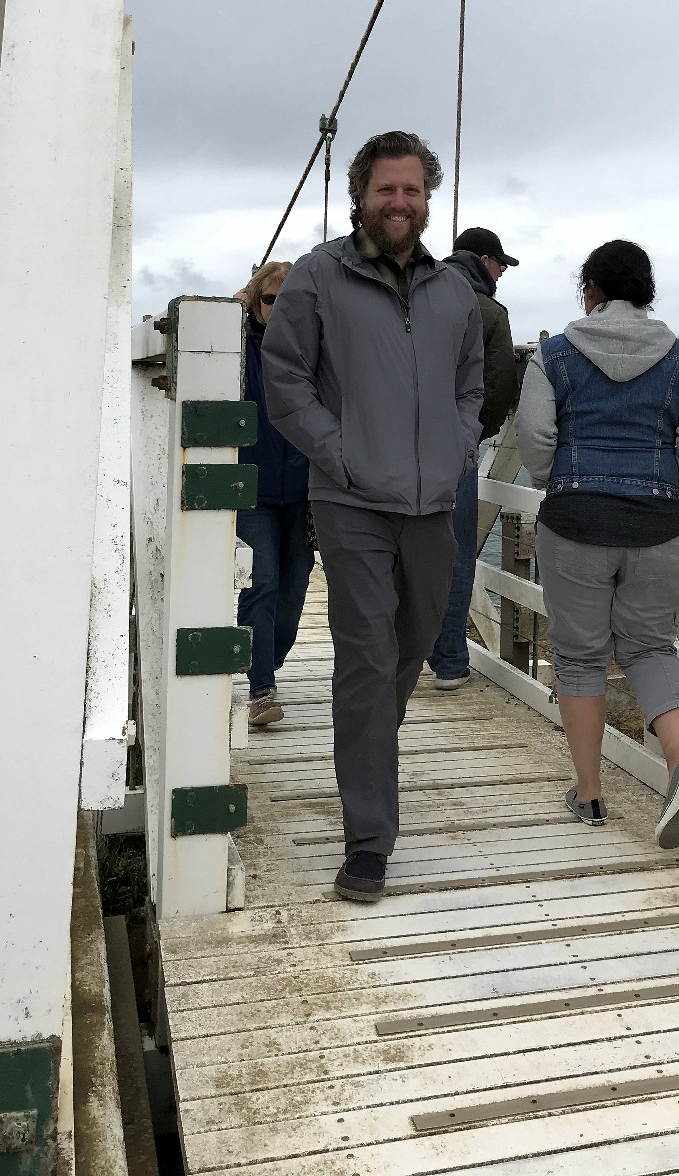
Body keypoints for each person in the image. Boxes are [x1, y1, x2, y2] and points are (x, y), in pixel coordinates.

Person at [262, 131, 483, 901]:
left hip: (432, 504)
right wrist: (340, 454)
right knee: (365, 656)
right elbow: (285, 377)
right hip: (350, 500)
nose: (400, 202)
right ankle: (369, 840)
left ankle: (364, 749)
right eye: (387, 189)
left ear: (427, 199)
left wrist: (459, 448)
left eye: (412, 190)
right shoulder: (318, 277)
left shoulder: (454, 292)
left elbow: (470, 387)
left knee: (411, 646)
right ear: (361, 195)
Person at [515, 239, 679, 848]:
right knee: (650, 648)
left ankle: (589, 794)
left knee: (580, 658)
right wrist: (668, 487)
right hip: (657, 524)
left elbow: (534, 434)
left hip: (575, 522)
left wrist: (559, 483)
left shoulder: (553, 355)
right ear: (646, 291)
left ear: (591, 290)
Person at [427, 226, 520, 690]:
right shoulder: (488, 311)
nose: (501, 273)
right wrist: (472, 433)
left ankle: (395, 655)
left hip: (395, 443)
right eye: (500, 264)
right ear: (484, 261)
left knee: (400, 548)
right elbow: (500, 384)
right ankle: (447, 661)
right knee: (457, 552)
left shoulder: (416, 293)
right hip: (454, 445)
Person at [236, 261, 315, 728]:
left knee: (294, 589)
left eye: (289, 301)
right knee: (261, 582)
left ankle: (265, 658)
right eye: (269, 299)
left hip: (304, 491)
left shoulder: (314, 349)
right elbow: (194, 337)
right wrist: (232, 307)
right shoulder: (237, 346)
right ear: (255, 303)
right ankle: (261, 688)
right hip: (252, 487)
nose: (278, 308)